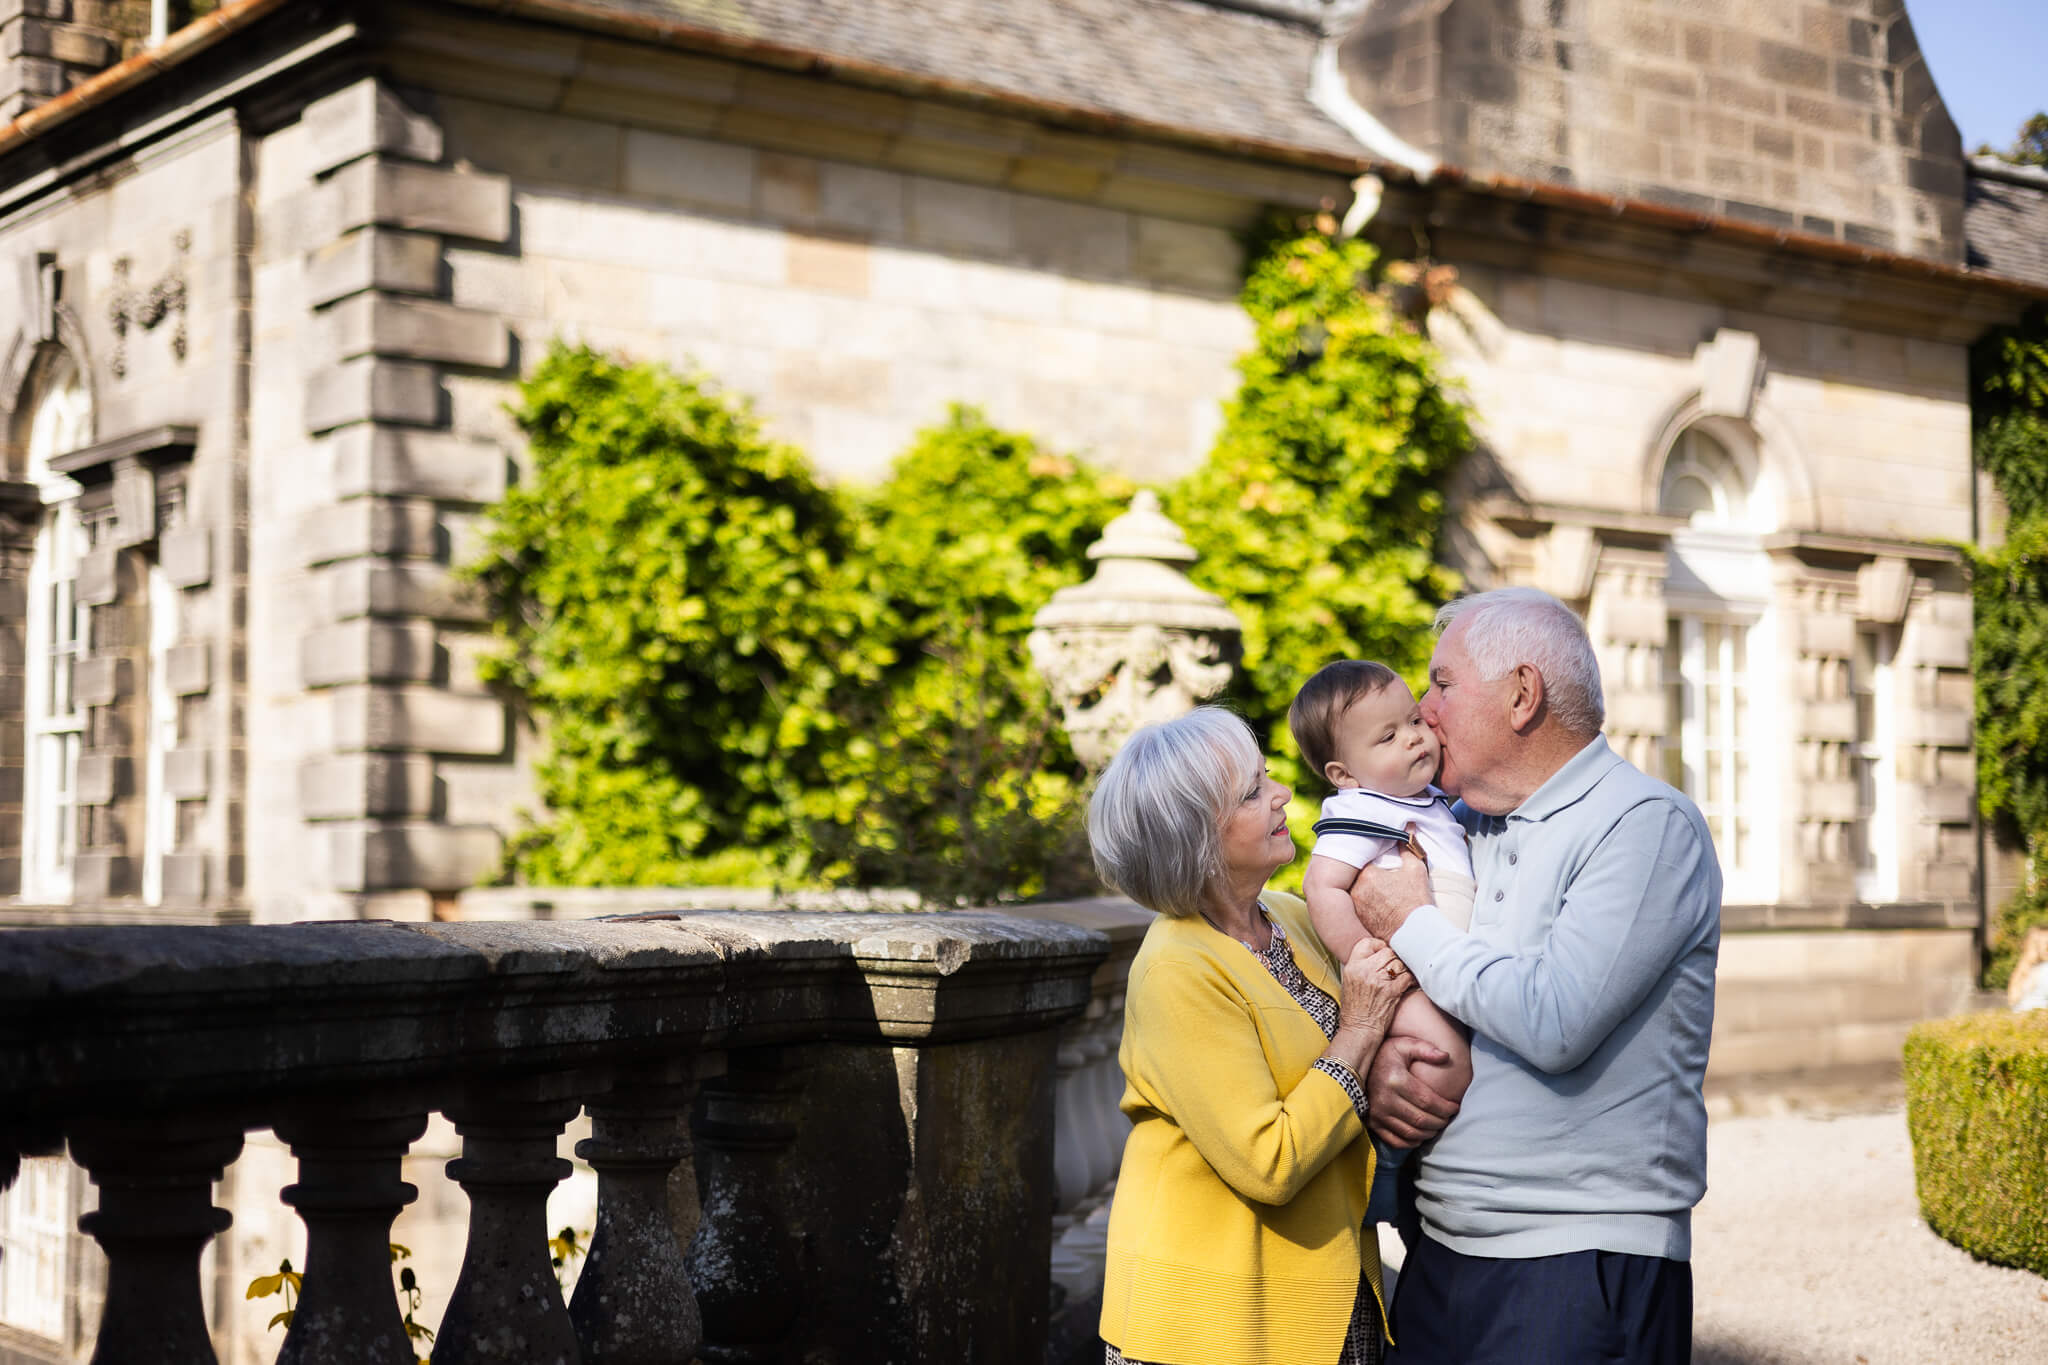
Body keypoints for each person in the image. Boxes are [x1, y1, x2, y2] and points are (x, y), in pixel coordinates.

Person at [1354, 587, 1721, 1365]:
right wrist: (1381, 1057)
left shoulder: (1646, 825)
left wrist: (1411, 921)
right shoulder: (1458, 827)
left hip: (1576, 1269)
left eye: (1442, 683)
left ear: (1522, 694)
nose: (1423, 709)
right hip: (1439, 1252)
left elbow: (1554, 1018)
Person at [1089, 706, 1414, 1365]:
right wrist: (1359, 1028)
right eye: (1251, 790)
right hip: (1214, 1327)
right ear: (1195, 841)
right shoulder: (1177, 968)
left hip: (1327, 1297)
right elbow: (1271, 1160)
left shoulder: (1291, 918)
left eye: (1266, 776)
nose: (1283, 794)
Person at [1288, 659, 1475, 1225]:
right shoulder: (1362, 811)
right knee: (1445, 1064)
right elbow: (1321, 886)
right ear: (1344, 773)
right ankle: (1384, 1169)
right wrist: (1364, 956)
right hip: (1408, 974)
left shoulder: (1429, 799)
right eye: (1388, 736)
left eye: (1414, 719)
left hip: (1443, 963)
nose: (1416, 737)